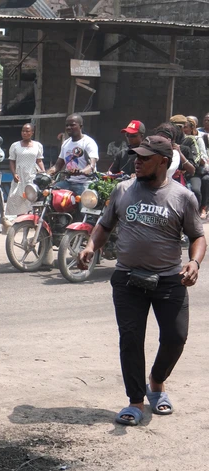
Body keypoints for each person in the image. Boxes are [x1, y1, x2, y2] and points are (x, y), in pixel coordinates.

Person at [76, 135, 205, 427]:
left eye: (145, 157)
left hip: (170, 280)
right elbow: (104, 225)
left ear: (163, 162)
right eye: (137, 155)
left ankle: (156, 383)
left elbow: (197, 236)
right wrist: (90, 247)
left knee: (176, 337)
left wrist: (194, 262)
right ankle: (135, 401)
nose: (137, 160)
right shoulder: (123, 190)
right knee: (131, 339)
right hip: (128, 279)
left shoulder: (182, 196)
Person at [48, 113, 98, 195]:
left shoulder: (89, 142)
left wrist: (80, 171)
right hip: (68, 182)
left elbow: (91, 166)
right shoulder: (65, 144)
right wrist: (46, 174)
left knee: (85, 206)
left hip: (85, 183)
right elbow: (58, 165)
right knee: (50, 194)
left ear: (80, 126)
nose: (68, 128)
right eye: (67, 125)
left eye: (72, 125)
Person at [5, 123, 46, 220]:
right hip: (19, 176)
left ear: (32, 132)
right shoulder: (15, 145)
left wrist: (43, 172)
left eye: (27, 131)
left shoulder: (37, 145)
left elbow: (39, 160)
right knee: (17, 197)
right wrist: (14, 173)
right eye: (23, 131)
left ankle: (30, 219)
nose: (24, 133)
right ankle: (20, 219)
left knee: (31, 197)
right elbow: (12, 161)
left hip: (32, 175)